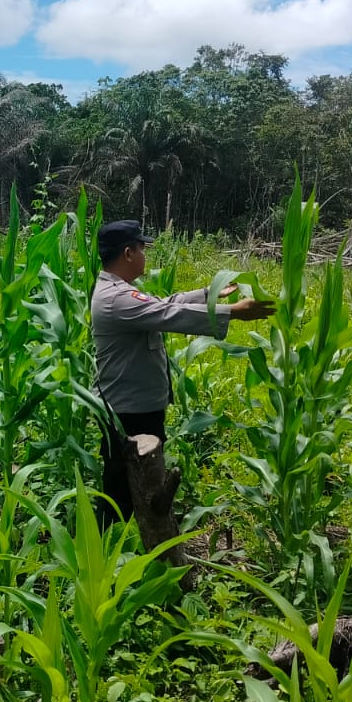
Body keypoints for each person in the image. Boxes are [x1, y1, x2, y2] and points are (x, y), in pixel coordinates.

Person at [90, 220, 274, 523]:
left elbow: (161, 303)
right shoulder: (116, 298)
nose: (145, 255)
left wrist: (208, 294)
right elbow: (167, 314)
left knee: (134, 483)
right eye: (142, 248)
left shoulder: (120, 291)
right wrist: (232, 313)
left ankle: (128, 542)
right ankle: (105, 548)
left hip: (134, 404)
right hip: (128, 411)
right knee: (121, 490)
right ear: (127, 253)